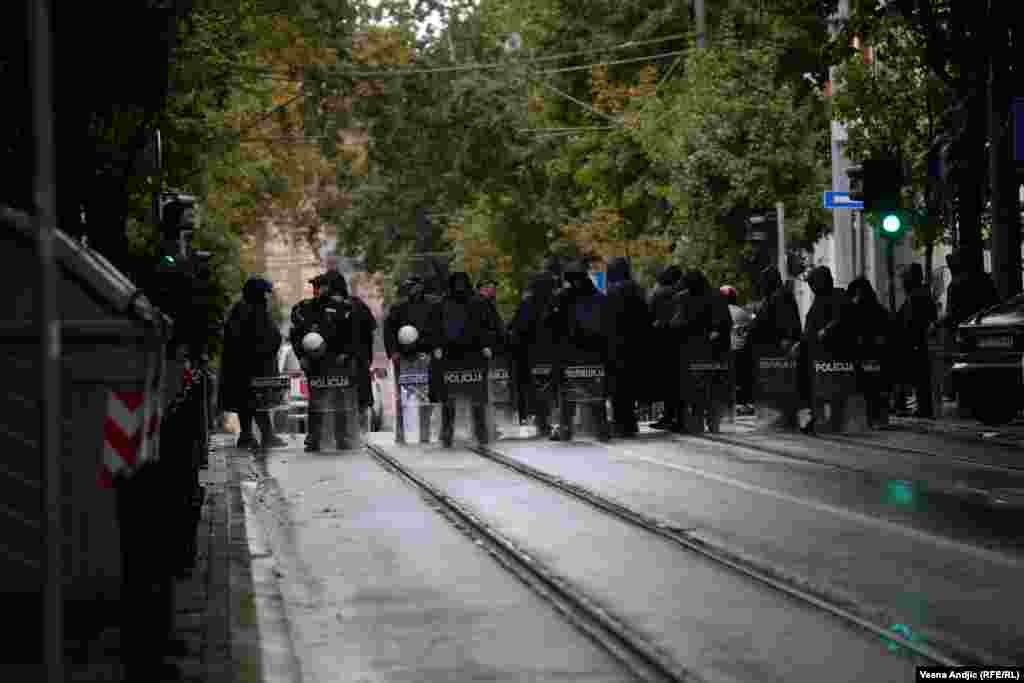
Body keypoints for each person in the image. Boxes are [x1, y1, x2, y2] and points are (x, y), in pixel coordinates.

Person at [290, 271, 370, 451]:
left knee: (341, 400)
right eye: (315, 287)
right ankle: (314, 437)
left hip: (339, 363)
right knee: (316, 402)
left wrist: (347, 354)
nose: (317, 290)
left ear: (329, 288)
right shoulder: (304, 309)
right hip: (316, 363)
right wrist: (301, 356)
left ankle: (343, 437)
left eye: (321, 286)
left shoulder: (343, 308)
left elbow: (354, 335)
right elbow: (296, 335)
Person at [220, 276, 287, 450]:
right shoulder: (250, 310)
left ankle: (252, 435)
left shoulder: (244, 309)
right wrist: (263, 352)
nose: (266, 297)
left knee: (251, 401)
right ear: (256, 293)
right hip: (252, 366)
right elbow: (256, 338)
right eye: (264, 293)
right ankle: (258, 435)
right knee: (254, 400)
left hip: (249, 366)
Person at [548, 258, 611, 441]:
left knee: (568, 391)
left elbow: (550, 323)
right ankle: (601, 428)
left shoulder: (562, 297)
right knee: (595, 389)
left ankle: (566, 427)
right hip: (595, 352)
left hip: (570, 352)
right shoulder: (599, 297)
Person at [436, 272, 501, 447]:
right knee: (449, 397)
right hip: (451, 356)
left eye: (461, 283)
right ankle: (448, 431)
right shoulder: (443, 303)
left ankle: (481, 431)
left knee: (477, 397)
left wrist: (488, 345)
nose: (459, 287)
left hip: (474, 355)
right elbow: (435, 327)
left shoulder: (479, 302)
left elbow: (492, 326)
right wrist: (437, 347)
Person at [669, 270, 732, 432]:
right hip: (711, 352)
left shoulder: (685, 298)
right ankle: (712, 423)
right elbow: (725, 324)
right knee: (711, 389)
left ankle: (699, 423)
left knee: (697, 389)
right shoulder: (716, 297)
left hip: (695, 352)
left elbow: (676, 323)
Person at [384, 276, 442, 442]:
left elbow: (437, 328)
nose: (414, 290)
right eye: (410, 287)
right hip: (403, 358)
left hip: (425, 356)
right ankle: (401, 432)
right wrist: (393, 352)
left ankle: (424, 433)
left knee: (426, 395)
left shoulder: (432, 305)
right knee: (403, 396)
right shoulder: (398, 307)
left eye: (416, 286)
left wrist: (435, 348)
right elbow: (389, 331)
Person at [797, 265, 854, 434]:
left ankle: (829, 420)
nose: (812, 288)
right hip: (816, 354)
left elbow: (842, 318)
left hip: (830, 355)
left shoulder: (838, 297)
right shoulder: (819, 300)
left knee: (830, 390)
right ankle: (816, 418)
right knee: (816, 389)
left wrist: (826, 331)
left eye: (813, 283)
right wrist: (801, 342)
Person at [509, 271, 561, 436]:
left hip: (532, 355)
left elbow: (517, 328)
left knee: (537, 389)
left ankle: (543, 420)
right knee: (550, 388)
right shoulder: (554, 302)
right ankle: (552, 420)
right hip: (550, 353)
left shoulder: (528, 304)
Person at [605, 257, 652, 437]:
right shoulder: (638, 290)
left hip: (616, 344)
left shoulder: (611, 292)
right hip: (637, 343)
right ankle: (630, 421)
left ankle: (622, 422)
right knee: (630, 383)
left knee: (618, 385)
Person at [846, 276, 896, 425]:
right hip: (877, 356)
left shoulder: (857, 310)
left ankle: (871, 417)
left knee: (867, 386)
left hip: (866, 355)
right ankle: (879, 417)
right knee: (877, 386)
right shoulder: (879, 309)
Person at [896, 263, 937, 418]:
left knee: (915, 376)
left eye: (904, 278)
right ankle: (921, 407)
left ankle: (915, 407)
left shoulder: (915, 297)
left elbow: (909, 323)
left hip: (915, 343)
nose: (902, 282)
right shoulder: (922, 294)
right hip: (918, 342)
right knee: (920, 378)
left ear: (910, 279)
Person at [648, 265, 682, 429]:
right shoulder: (682, 293)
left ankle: (668, 416)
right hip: (681, 343)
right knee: (679, 381)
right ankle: (679, 416)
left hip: (661, 342)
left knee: (667, 381)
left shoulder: (658, 293)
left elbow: (650, 315)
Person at [940, 248, 999, 330]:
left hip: (963, 328)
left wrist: (938, 323)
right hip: (985, 325)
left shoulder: (956, 285)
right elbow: (995, 304)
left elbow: (952, 313)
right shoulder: (985, 279)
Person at [721, 284, 755, 415]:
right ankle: (743, 404)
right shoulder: (742, 312)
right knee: (742, 378)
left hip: (727, 350)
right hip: (742, 350)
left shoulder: (721, 311)